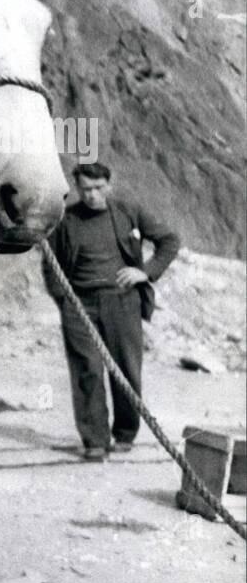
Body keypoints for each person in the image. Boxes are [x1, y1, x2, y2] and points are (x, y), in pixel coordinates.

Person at [42, 162, 180, 461]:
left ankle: (125, 433)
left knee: (127, 368)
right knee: (86, 370)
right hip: (79, 304)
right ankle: (95, 440)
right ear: (77, 188)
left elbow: (169, 241)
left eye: (98, 188)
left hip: (122, 301)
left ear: (109, 185)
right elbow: (50, 262)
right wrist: (64, 302)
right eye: (85, 189)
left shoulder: (128, 210)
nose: (92, 195)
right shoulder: (67, 218)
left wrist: (146, 272)